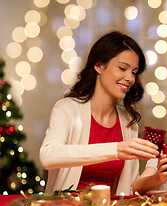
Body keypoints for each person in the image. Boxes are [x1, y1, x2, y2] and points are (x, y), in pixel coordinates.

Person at [40, 31, 159, 195]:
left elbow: (130, 186)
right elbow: (48, 156)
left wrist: (160, 177)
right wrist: (116, 150)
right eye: (123, 68)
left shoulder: (128, 121)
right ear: (99, 66)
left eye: (134, 72)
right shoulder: (67, 109)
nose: (130, 78)